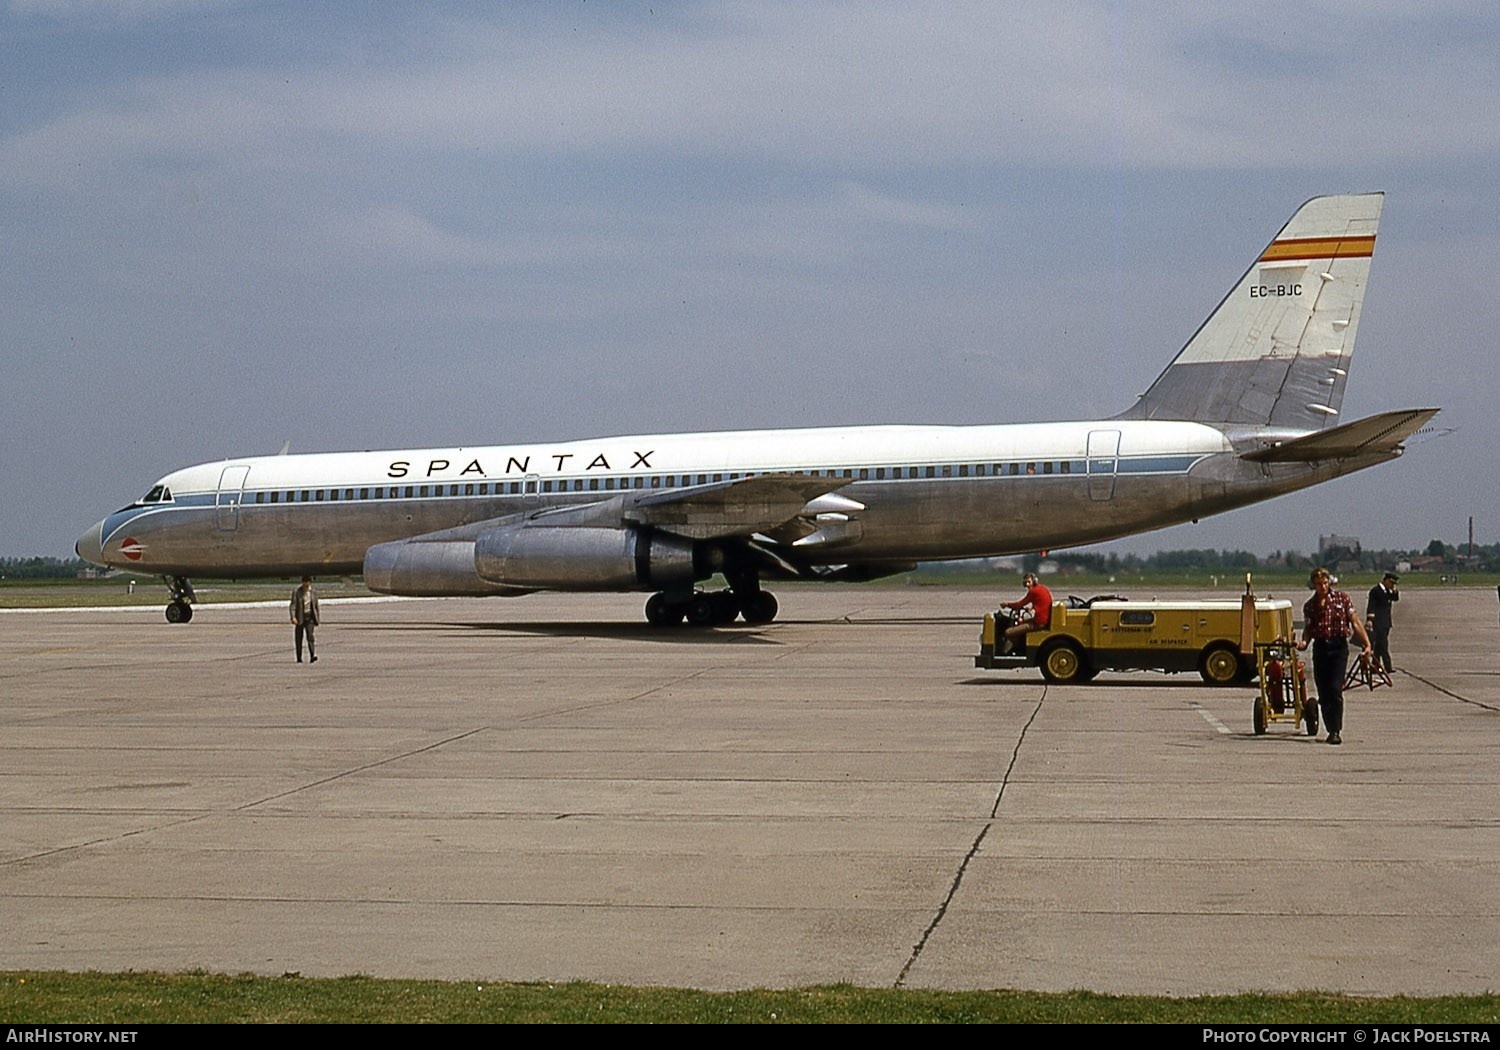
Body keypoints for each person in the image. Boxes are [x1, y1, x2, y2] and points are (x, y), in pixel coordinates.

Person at [1297, 568, 1371, 745]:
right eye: (1318, 584)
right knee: (1323, 692)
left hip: (1338, 647)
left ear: (1329, 582)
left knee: (1335, 688)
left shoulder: (1342, 599)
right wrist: (1303, 643)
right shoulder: (1310, 606)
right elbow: (1308, 630)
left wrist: (1366, 644)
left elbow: (1355, 622)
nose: (1322, 587)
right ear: (1313, 585)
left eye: (1324, 583)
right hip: (1321, 648)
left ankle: (1336, 730)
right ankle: (1330, 728)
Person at [1000, 572, 1053, 654]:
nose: (1027, 585)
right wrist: (1031, 607)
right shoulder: (1042, 588)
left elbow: (1019, 604)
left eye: (1029, 582)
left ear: (1034, 581)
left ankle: (1017, 650)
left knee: (1008, 632)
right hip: (1044, 619)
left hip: (1039, 622)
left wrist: (1007, 604)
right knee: (1022, 623)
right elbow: (1040, 602)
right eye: (1026, 583)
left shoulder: (1033, 592)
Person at [1365, 571, 1399, 673]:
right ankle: (1388, 666)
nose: (1392, 585)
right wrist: (1370, 619)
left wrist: (1394, 591)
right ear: (1386, 581)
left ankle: (1374, 666)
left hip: (1386, 622)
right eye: (1391, 583)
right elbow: (1371, 605)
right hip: (1378, 622)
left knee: (1379, 646)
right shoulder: (1376, 591)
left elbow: (1395, 599)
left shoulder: (1388, 592)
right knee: (1383, 645)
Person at [290, 576, 320, 663]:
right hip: (300, 617)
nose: (305, 584)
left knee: (310, 636)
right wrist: (293, 617)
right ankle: (299, 657)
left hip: (310, 617)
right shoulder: (297, 592)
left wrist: (317, 618)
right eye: (304, 582)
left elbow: (316, 606)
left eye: (307, 582)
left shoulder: (313, 592)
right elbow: (293, 605)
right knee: (299, 638)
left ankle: (312, 655)